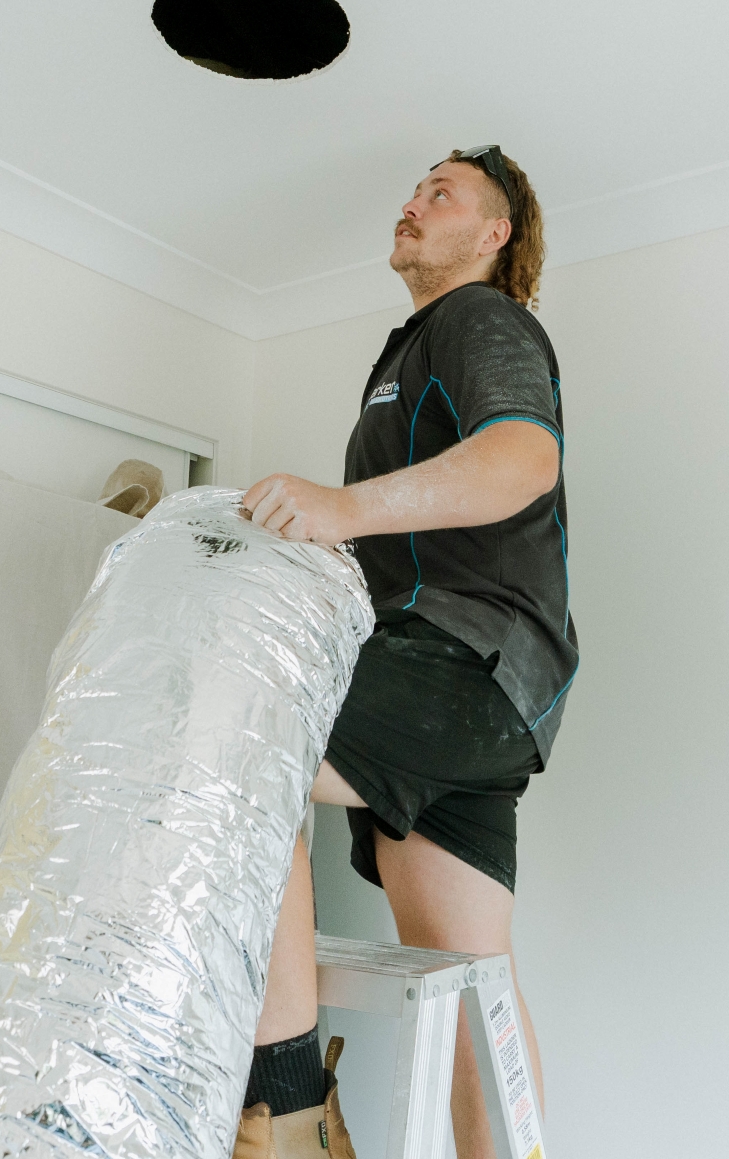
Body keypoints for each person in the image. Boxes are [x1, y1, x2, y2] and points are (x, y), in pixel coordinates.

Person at [234, 146, 576, 1159]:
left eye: (441, 191)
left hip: (463, 663)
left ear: (493, 233)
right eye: (415, 188)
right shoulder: (411, 352)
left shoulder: (482, 319)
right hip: (487, 697)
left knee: (236, 748)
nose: (413, 201)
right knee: (472, 988)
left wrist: (341, 506)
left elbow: (524, 455)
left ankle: (288, 1118)